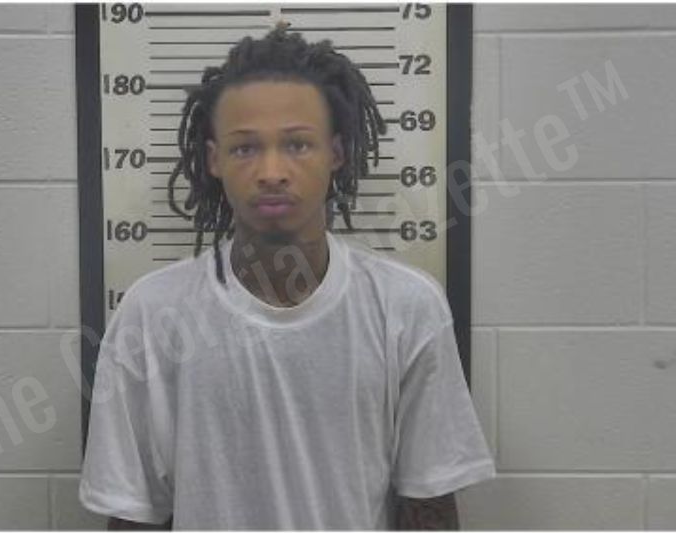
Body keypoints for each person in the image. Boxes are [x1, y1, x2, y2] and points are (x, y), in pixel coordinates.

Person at [79, 25, 495, 530]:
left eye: (297, 144)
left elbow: (428, 506)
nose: (272, 171)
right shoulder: (152, 315)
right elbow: (135, 516)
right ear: (213, 159)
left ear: (336, 153)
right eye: (244, 148)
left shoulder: (406, 307)